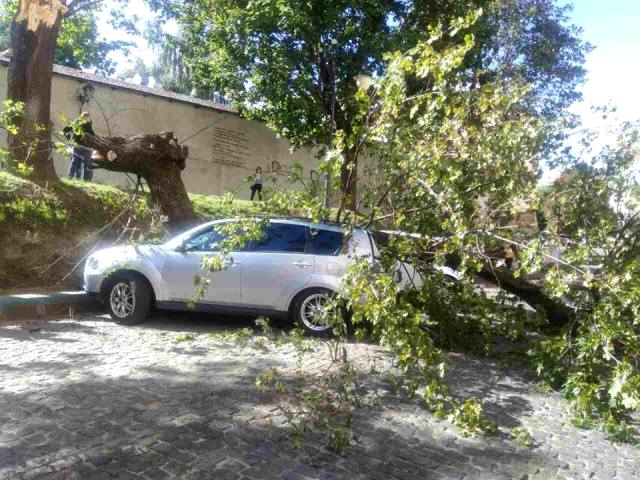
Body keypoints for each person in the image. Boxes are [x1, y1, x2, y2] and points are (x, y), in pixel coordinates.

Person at [63, 112, 95, 181]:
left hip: (86, 148)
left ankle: (85, 181)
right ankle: (71, 178)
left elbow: (91, 135)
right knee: (76, 163)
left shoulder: (84, 123)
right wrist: (69, 139)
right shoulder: (77, 122)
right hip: (80, 147)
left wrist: (70, 139)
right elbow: (65, 130)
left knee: (78, 163)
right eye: (85, 117)